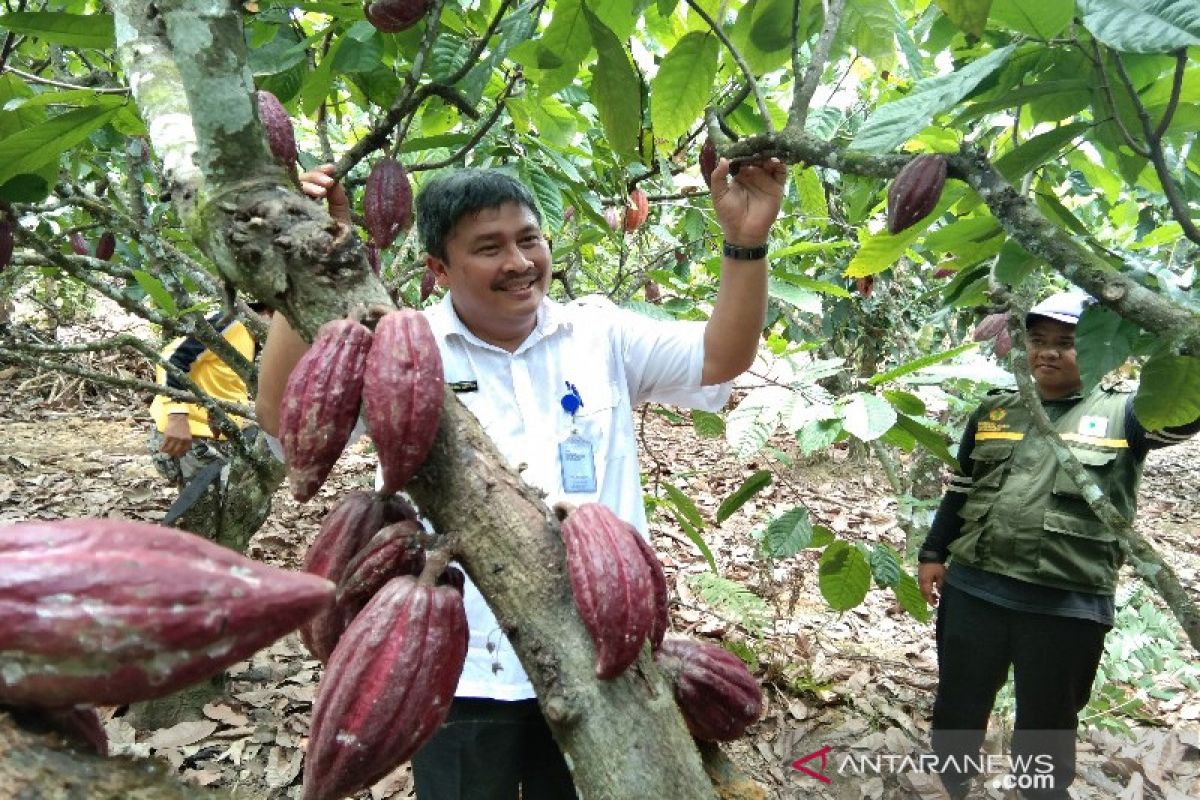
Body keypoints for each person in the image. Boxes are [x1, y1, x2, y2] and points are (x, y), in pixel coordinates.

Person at [255, 159, 786, 798]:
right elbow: (286, 415)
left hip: (595, 658)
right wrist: (309, 267)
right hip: (461, 664)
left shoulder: (599, 334)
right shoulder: (406, 347)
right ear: (439, 269)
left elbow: (720, 355)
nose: (519, 261)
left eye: (528, 239)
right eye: (489, 247)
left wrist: (745, 241)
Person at [916, 290, 1200, 799]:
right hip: (975, 589)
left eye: (1066, 343)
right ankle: (952, 785)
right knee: (959, 704)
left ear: (1093, 348)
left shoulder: (1127, 414)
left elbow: (1186, 412)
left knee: (1046, 726)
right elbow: (961, 487)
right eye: (1038, 340)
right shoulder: (994, 411)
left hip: (1065, 605)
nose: (1048, 352)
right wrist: (934, 553)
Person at [149, 302, 271, 542]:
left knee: (237, 514)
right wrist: (176, 414)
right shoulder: (229, 324)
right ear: (268, 311)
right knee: (202, 525)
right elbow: (171, 359)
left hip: (219, 438)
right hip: (191, 436)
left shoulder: (251, 339)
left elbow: (225, 386)